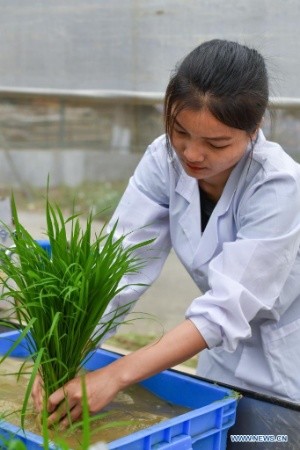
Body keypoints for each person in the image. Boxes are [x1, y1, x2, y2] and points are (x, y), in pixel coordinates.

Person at [32, 39, 300, 427]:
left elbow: (227, 308)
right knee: (219, 435)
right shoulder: (163, 160)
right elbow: (119, 265)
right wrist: (59, 353)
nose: (191, 154)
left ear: (254, 129)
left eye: (216, 143)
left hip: (286, 362)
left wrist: (116, 374)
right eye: (180, 131)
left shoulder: (278, 185)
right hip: (219, 353)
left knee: (267, 441)